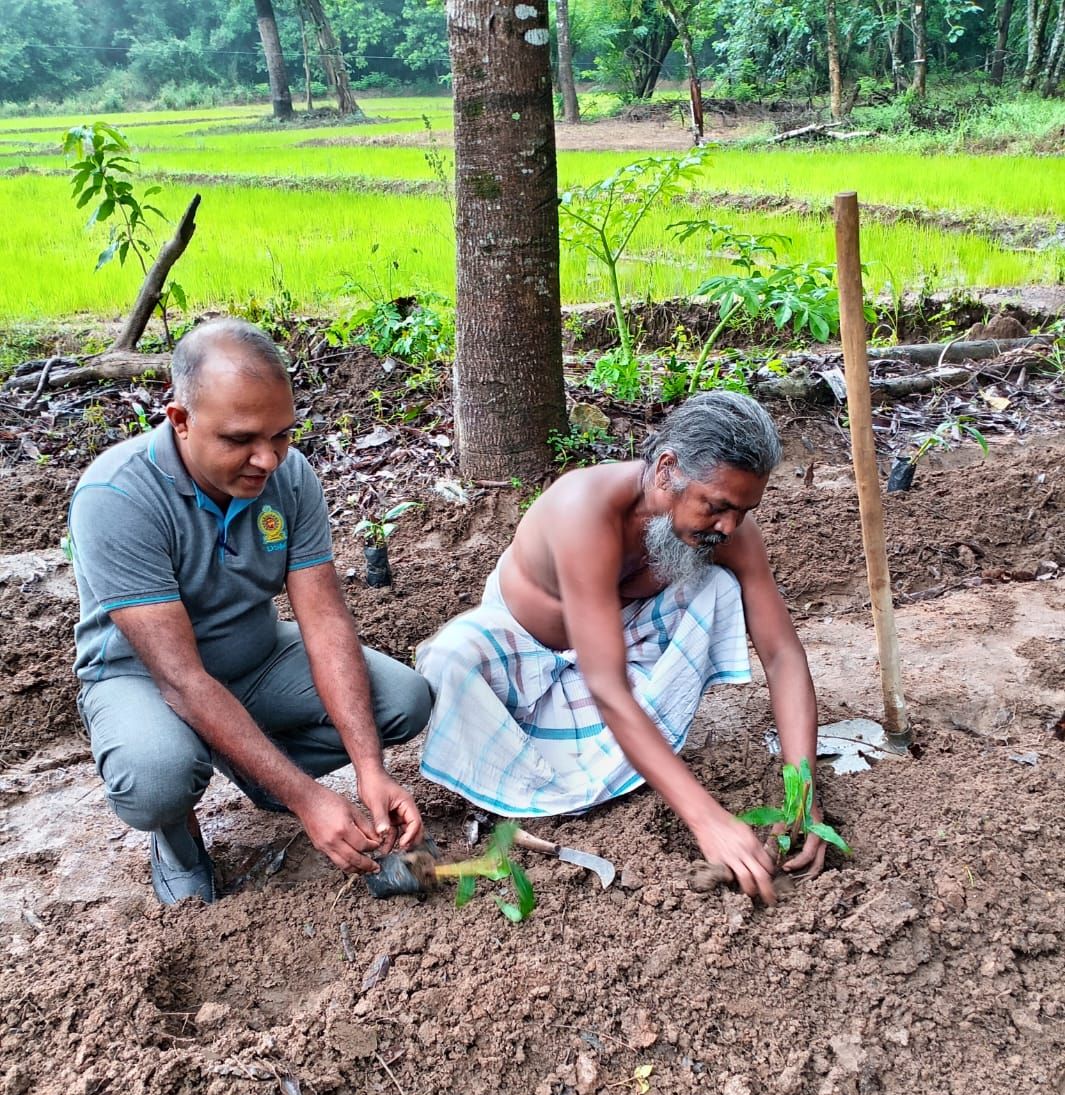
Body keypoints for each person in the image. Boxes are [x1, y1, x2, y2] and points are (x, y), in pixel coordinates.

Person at [68, 318, 431, 905]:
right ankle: (178, 835)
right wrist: (307, 798)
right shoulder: (118, 497)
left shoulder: (289, 477)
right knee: (158, 777)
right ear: (180, 420)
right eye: (240, 440)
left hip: (254, 658)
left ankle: (261, 773)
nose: (267, 459)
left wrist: (370, 769)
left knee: (402, 701)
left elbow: (324, 621)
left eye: (281, 435)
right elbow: (181, 679)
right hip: (146, 679)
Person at [416, 391, 824, 906]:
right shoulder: (585, 511)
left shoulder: (728, 532)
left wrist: (803, 793)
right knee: (450, 657)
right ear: (667, 471)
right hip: (525, 657)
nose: (730, 527)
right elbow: (606, 688)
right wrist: (708, 820)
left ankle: (606, 765)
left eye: (744, 511)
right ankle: (535, 781)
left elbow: (783, 655)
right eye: (718, 507)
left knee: (718, 586)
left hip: (617, 654)